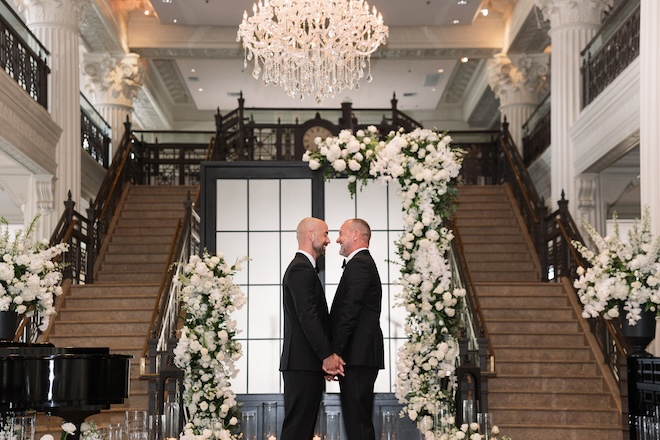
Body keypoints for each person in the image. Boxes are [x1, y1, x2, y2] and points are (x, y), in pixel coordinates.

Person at [280, 217, 345, 440]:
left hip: (305, 363)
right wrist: (327, 355)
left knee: (303, 429)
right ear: (310, 234)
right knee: (298, 430)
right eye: (325, 234)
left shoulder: (304, 268)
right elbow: (308, 317)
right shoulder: (300, 269)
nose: (329, 240)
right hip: (301, 363)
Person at [330, 218, 385, 440]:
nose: (337, 239)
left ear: (355, 235)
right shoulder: (361, 263)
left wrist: (335, 353)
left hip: (357, 355)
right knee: (357, 421)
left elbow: (350, 310)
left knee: (358, 423)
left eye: (341, 233)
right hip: (358, 355)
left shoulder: (360, 264)